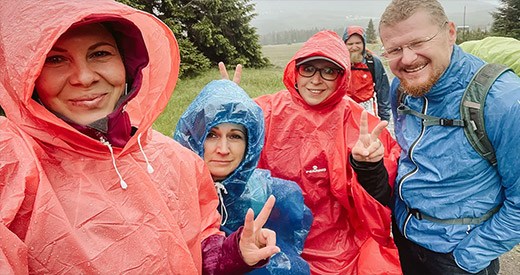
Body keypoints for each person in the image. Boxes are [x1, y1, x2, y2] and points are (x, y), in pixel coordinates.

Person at [0, 0, 280, 273]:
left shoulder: (178, 160)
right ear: (30, 73)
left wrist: (234, 253)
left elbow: (197, 248)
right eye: (56, 59)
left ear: (127, 65)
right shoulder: (15, 159)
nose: (84, 77)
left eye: (100, 54)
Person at [223, 30, 402, 274]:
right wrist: (225, 113)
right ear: (295, 71)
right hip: (272, 238)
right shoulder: (264, 112)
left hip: (337, 249)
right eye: (308, 69)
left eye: (328, 71)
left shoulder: (359, 125)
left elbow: (381, 202)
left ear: (342, 76)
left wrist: (368, 166)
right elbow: (216, 161)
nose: (316, 80)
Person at [378, 0, 520, 274]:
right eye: (394, 49)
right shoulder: (402, 86)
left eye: (419, 42)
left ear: (450, 33)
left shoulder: (502, 99)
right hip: (404, 240)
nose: (407, 58)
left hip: (458, 255)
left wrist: (469, 257)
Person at [174, 79, 313, 274]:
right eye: (211, 135)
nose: (223, 149)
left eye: (235, 136)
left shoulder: (272, 195)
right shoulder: (171, 194)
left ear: (250, 144)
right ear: (194, 138)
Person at [342, 26, 392, 121]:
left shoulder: (372, 62)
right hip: (344, 108)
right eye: (350, 44)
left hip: (366, 109)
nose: (354, 47)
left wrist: (385, 118)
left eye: (358, 43)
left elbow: (383, 91)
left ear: (364, 43)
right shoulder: (339, 63)